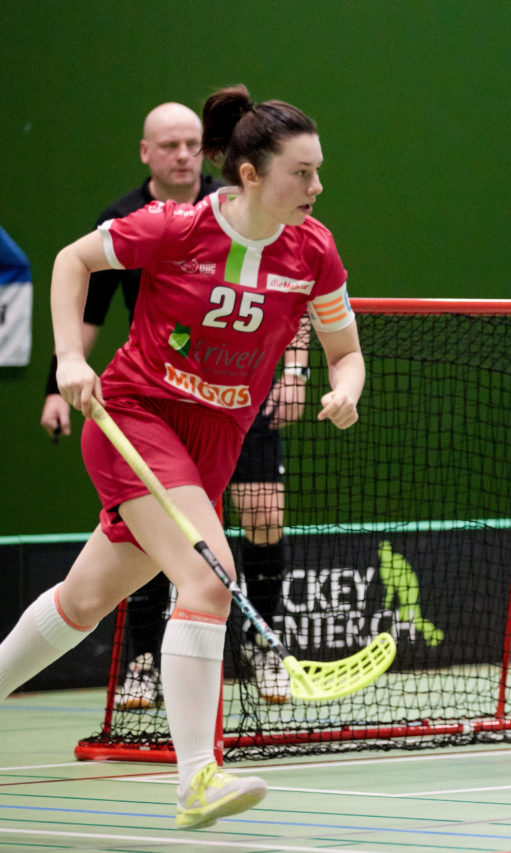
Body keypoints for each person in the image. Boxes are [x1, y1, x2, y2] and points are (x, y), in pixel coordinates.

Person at [0, 85, 363, 830]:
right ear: (252, 175)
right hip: (134, 417)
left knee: (85, 598)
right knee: (208, 573)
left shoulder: (313, 249)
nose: (317, 187)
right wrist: (70, 358)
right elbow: (73, 261)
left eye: (319, 171)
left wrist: (344, 388)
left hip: (215, 442)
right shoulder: (175, 227)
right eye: (303, 172)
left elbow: (346, 348)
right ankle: (197, 775)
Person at [36, 101, 304, 710]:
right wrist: (60, 378)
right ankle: (151, 677)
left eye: (192, 143)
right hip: (155, 405)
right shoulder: (143, 220)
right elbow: (86, 308)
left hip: (237, 406)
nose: (184, 155)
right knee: (198, 565)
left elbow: (298, 286)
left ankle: (263, 650)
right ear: (146, 153)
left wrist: (296, 368)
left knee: (88, 595)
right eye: (170, 145)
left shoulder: (247, 205)